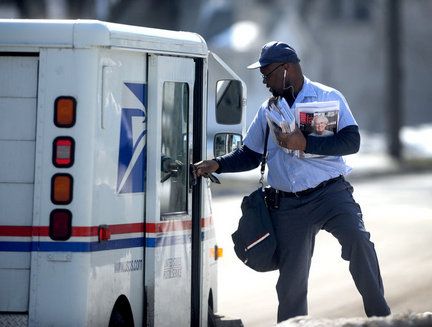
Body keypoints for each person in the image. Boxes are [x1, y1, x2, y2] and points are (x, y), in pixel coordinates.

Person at [194, 41, 391, 323]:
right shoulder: (267, 110)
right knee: (291, 282)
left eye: (267, 73)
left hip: (331, 194)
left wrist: (305, 142)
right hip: (288, 204)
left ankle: (381, 317)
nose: (264, 81)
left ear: (286, 69)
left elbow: (353, 141)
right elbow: (250, 154)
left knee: (359, 241)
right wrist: (218, 163)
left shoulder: (328, 97)